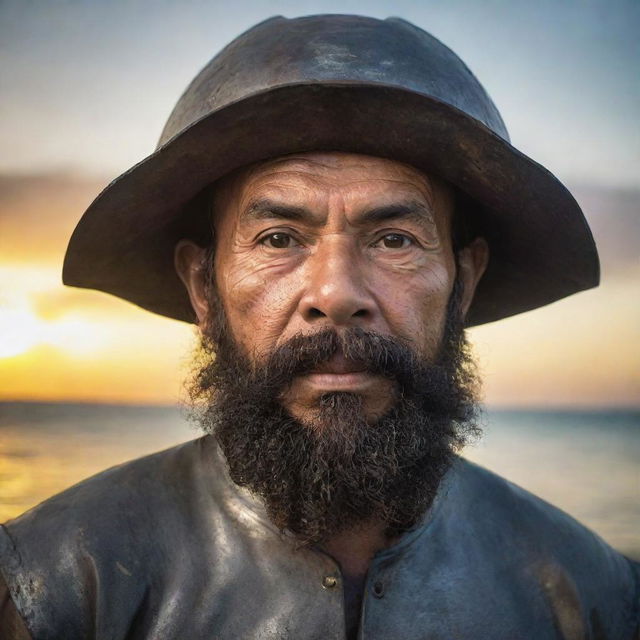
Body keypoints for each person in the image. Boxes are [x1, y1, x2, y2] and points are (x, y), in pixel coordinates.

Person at [0, 14, 637, 640]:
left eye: (394, 239)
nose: (336, 295)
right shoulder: (53, 585)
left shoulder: (596, 594)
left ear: (463, 283)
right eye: (279, 238)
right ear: (203, 286)